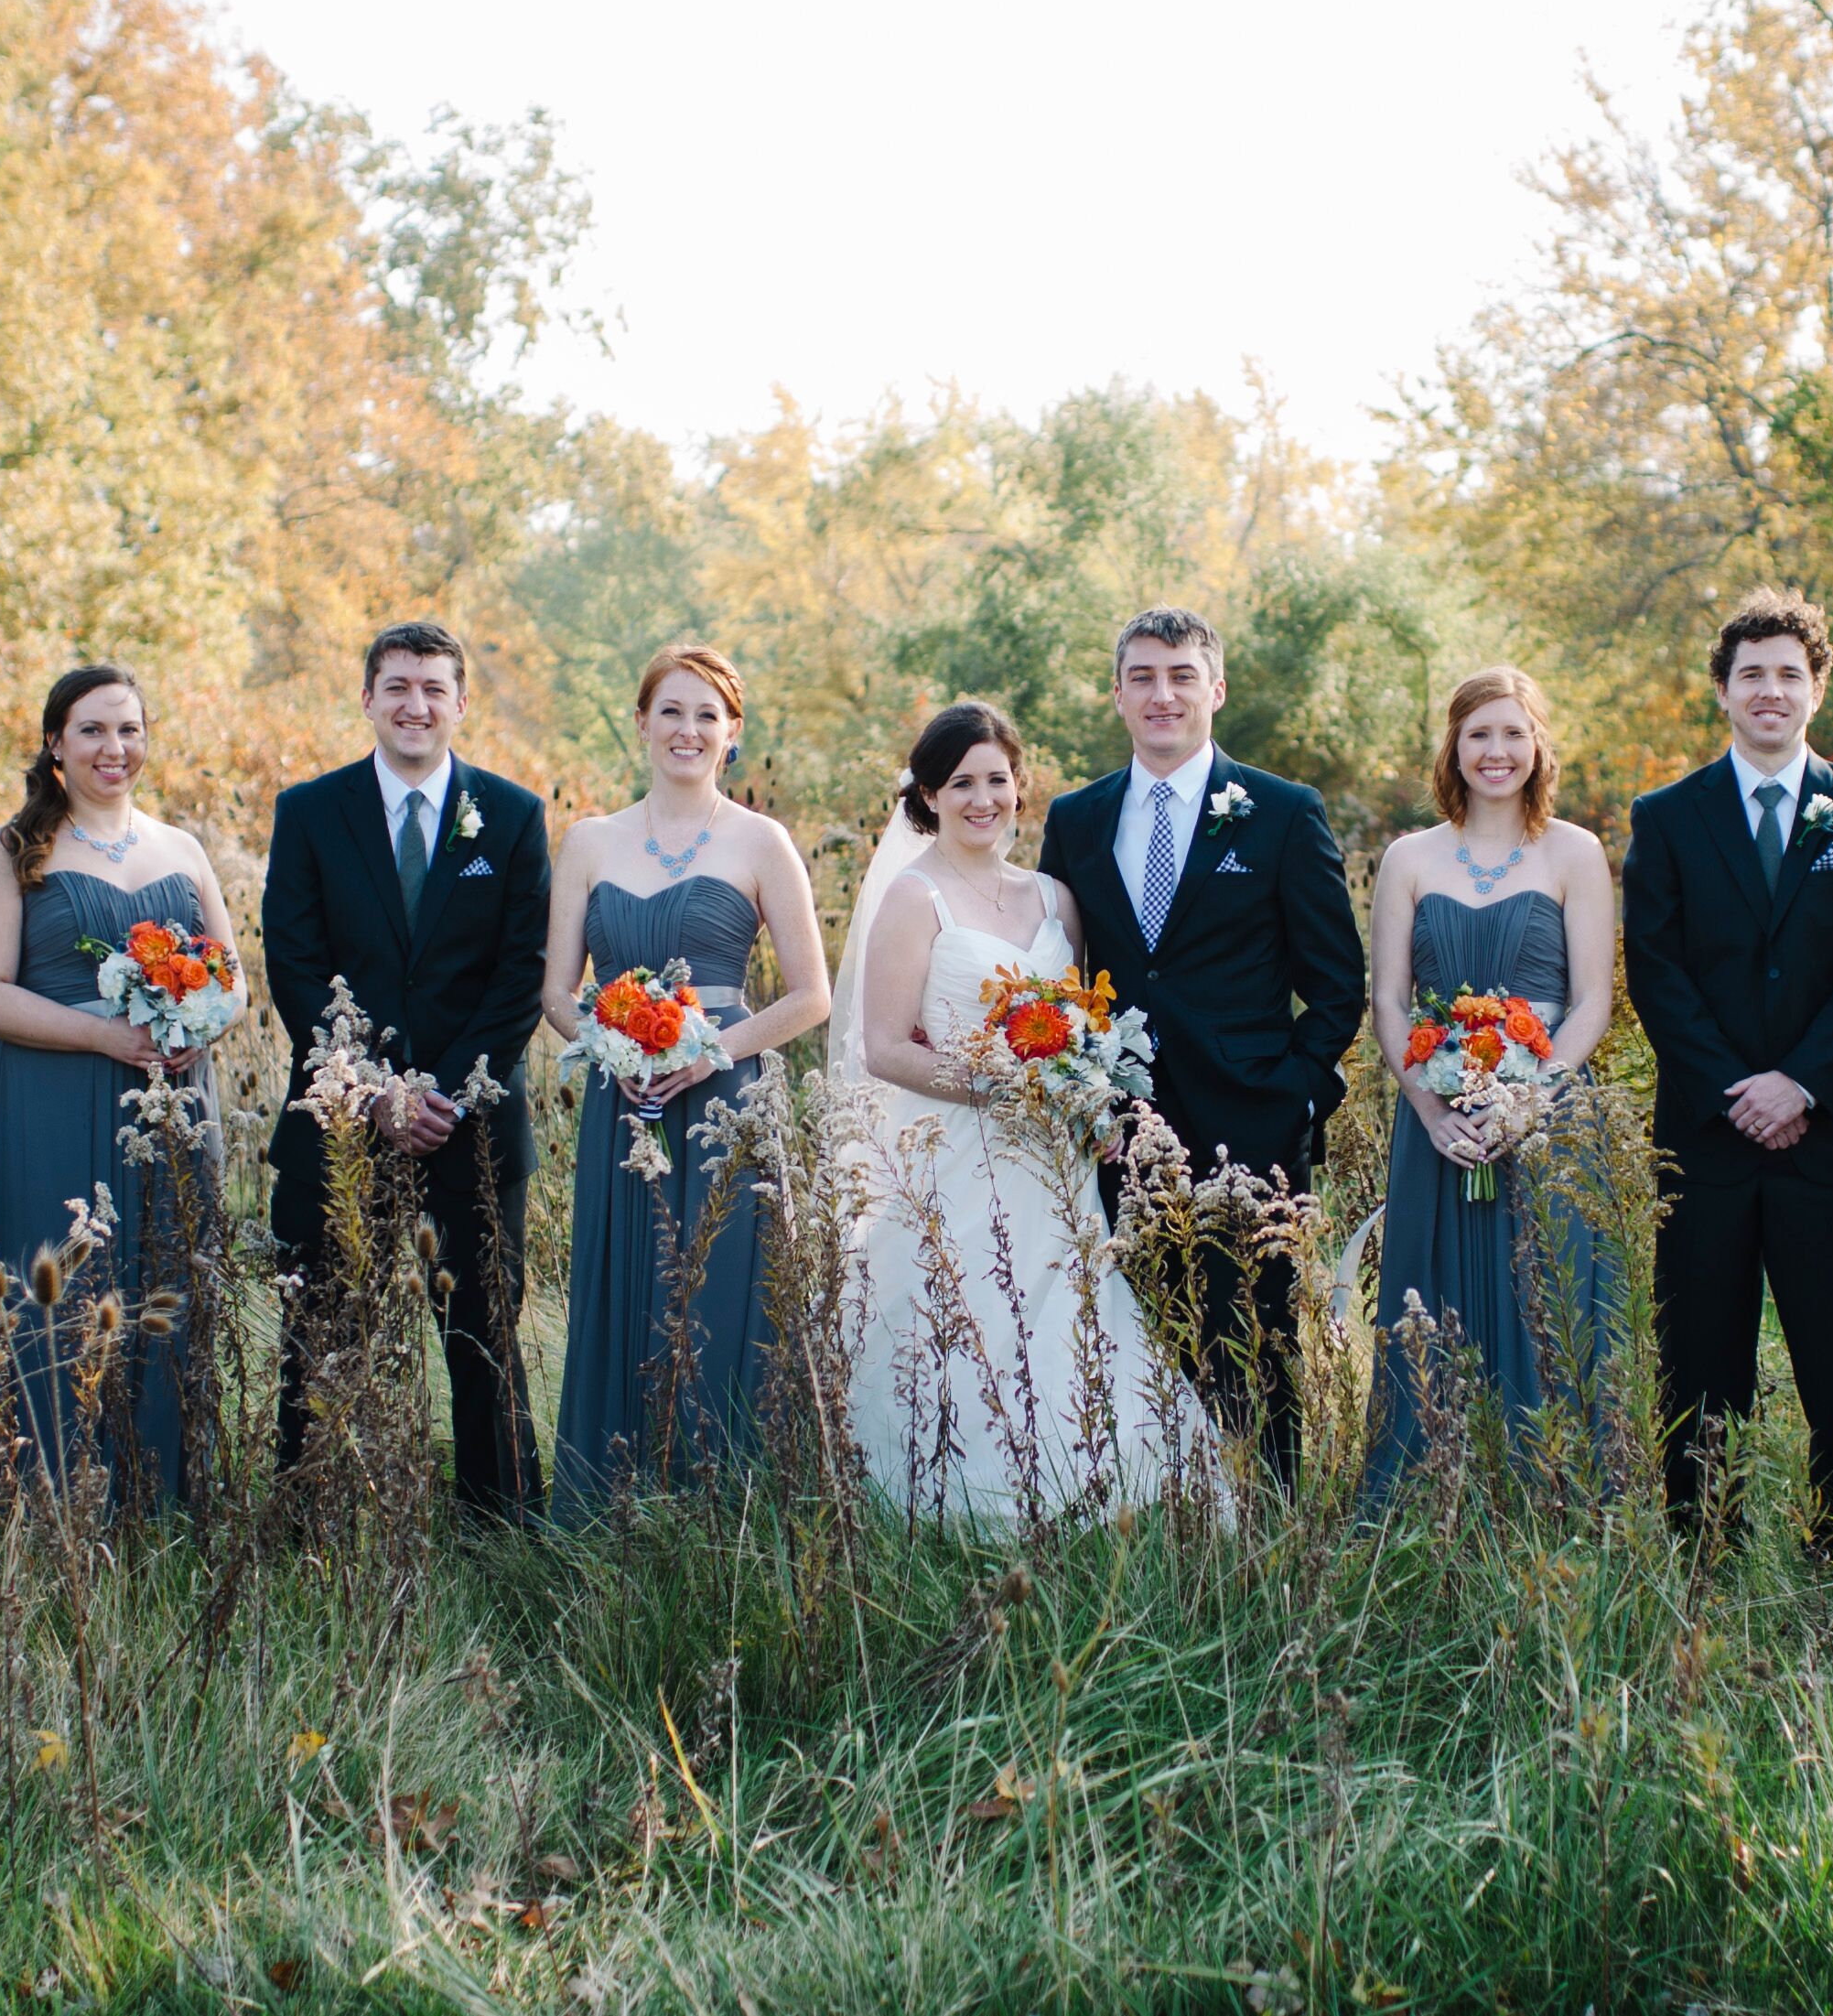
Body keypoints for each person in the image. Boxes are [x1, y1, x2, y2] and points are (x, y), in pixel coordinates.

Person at [834, 701, 1209, 1513]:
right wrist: (1001, 1082)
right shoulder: (913, 896)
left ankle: (1095, 1488)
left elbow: (1078, 1031)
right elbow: (885, 1047)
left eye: (997, 779)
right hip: (959, 1148)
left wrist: (1085, 1099)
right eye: (961, 781)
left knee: (1062, 1309)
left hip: (1054, 1159)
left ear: (1019, 787)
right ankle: (965, 1501)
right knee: (970, 1310)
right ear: (928, 794)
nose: (982, 797)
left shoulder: (1053, 898)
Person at [1035, 608, 1365, 1482]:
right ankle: (1166, 1526)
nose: (1162, 694)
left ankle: (1271, 1524)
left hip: (1250, 1122)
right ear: (1117, 695)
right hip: (1120, 1130)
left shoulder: (1284, 814)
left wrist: (1295, 1092)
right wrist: (1086, 1094)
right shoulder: (1075, 820)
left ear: (1215, 690)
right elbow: (1062, 976)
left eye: (1181, 675)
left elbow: (1337, 983)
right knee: (1142, 1329)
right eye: (1142, 676)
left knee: (1256, 1338)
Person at [1620, 588, 1833, 1547]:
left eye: (1790, 673)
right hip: (1709, 1132)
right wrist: (1733, 1087)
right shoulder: (1666, 817)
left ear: (1817, 689)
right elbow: (1656, 971)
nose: (1770, 690)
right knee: (1702, 1353)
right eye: (1751, 673)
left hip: (1829, 1126)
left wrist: (1800, 1081)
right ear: (1721, 689)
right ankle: (1705, 1537)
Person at [259, 622, 555, 1524]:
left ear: (462, 702)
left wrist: (443, 1092)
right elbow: (295, 964)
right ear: (367, 698)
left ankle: (502, 1530)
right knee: (324, 1333)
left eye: (433, 686)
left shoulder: (509, 816)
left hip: (472, 1124)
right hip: (342, 1120)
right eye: (396, 685)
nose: (415, 703)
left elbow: (521, 973)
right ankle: (312, 1524)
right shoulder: (310, 811)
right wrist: (375, 1088)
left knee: (482, 1337)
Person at [544, 644, 831, 1517]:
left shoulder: (760, 840)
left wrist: (715, 1052)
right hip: (622, 1102)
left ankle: (722, 1513)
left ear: (732, 733)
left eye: (708, 715)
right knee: (624, 1285)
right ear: (641, 722)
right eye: (671, 710)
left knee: (721, 1296)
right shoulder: (590, 840)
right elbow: (556, 991)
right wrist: (616, 1049)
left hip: (725, 1103)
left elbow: (813, 994)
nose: (688, 729)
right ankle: (609, 1509)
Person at [0, 665, 239, 1508]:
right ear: (55, 744)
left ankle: (161, 1499)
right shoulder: (12, 851)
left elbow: (236, 981)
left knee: (166, 1287)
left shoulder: (180, 848)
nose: (115, 749)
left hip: (174, 1104)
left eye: (130, 730)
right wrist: (110, 1034)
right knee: (63, 1293)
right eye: (93, 731)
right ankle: (47, 1498)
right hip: (51, 1101)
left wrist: (195, 1028)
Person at [1359, 666, 1622, 1504]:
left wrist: (1528, 1099)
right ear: (1455, 746)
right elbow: (1389, 1002)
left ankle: (1554, 1488)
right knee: (1433, 1296)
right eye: (1479, 734)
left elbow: (1592, 1002)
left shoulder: (1575, 852)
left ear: (1538, 742)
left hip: (1545, 1112)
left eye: (1513, 732)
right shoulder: (1408, 857)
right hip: (1436, 1124)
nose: (1496, 751)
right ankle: (1429, 1488)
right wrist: (1433, 1111)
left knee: (1548, 1289)